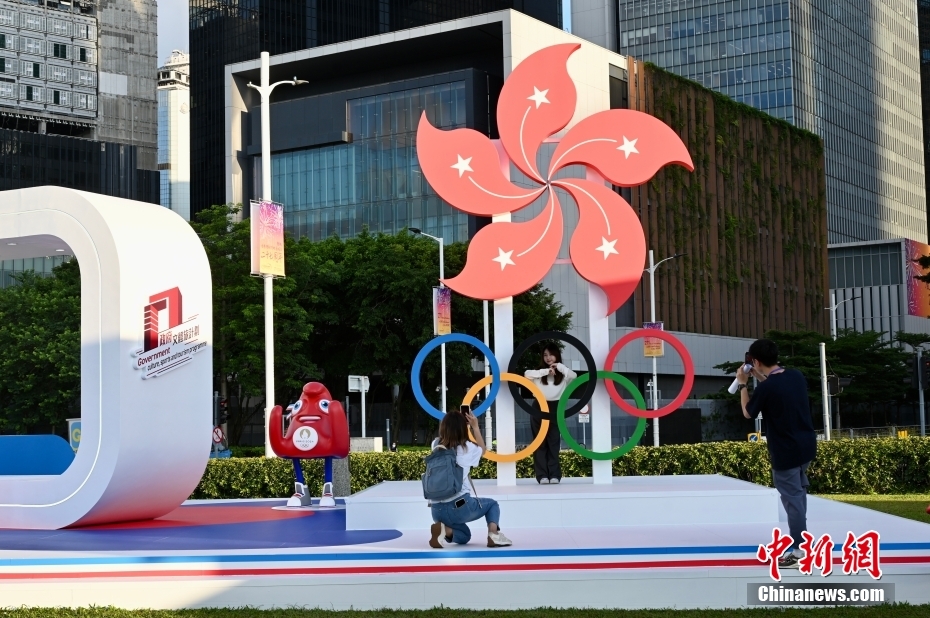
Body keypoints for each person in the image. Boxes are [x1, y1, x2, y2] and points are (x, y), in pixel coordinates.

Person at [735, 338, 817, 570]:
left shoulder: (768, 388)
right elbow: (773, 384)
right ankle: (801, 539)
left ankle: (799, 548)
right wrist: (757, 378)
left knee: (793, 500)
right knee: (798, 494)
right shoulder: (795, 376)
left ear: (756, 361)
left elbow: (748, 413)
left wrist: (743, 384)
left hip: (785, 451)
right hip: (806, 446)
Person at [428, 410, 512, 548]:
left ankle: (444, 529)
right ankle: (494, 535)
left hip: (436, 510)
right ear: (463, 428)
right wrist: (475, 427)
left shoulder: (436, 445)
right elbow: (483, 450)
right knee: (492, 505)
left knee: (464, 536)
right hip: (460, 506)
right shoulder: (468, 448)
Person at [524, 344, 577, 484]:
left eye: (551, 355)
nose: (548, 358)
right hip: (539, 407)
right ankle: (542, 476)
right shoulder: (539, 373)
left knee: (553, 442)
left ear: (557, 356)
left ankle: (554, 475)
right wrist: (545, 372)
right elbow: (526, 374)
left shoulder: (563, 375)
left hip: (556, 407)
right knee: (539, 442)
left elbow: (574, 376)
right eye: (545, 355)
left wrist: (559, 367)